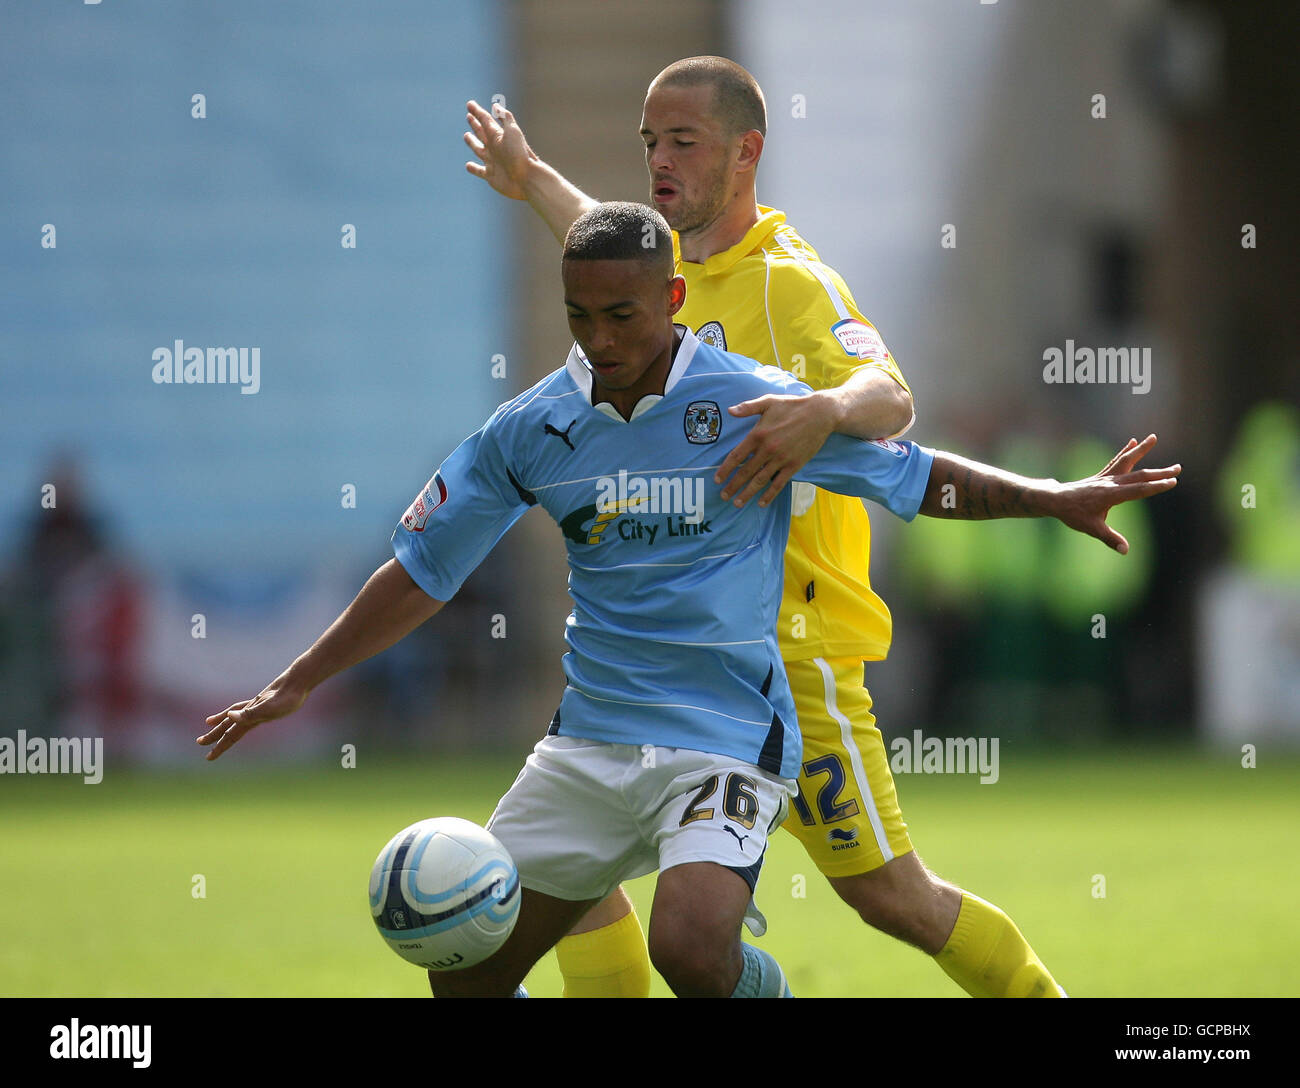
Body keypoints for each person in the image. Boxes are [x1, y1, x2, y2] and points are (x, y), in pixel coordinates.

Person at [199, 202, 1178, 997]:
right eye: (581, 315)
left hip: (724, 729)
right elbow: (423, 569)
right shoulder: (531, 427)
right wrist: (296, 680)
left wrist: (1052, 496)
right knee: (468, 967)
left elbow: (912, 476)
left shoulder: (755, 405)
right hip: (589, 740)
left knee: (693, 946)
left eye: (622, 314)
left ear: (671, 297)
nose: (600, 337)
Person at [462, 56, 1139, 998]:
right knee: (576, 885)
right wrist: (527, 171)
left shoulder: (793, 286)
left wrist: (825, 410)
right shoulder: (656, 274)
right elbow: (594, 229)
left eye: (682, 142)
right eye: (649, 141)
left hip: (792, 657)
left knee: (893, 897)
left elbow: (889, 397)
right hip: (670, 660)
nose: (658, 159)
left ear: (747, 155)